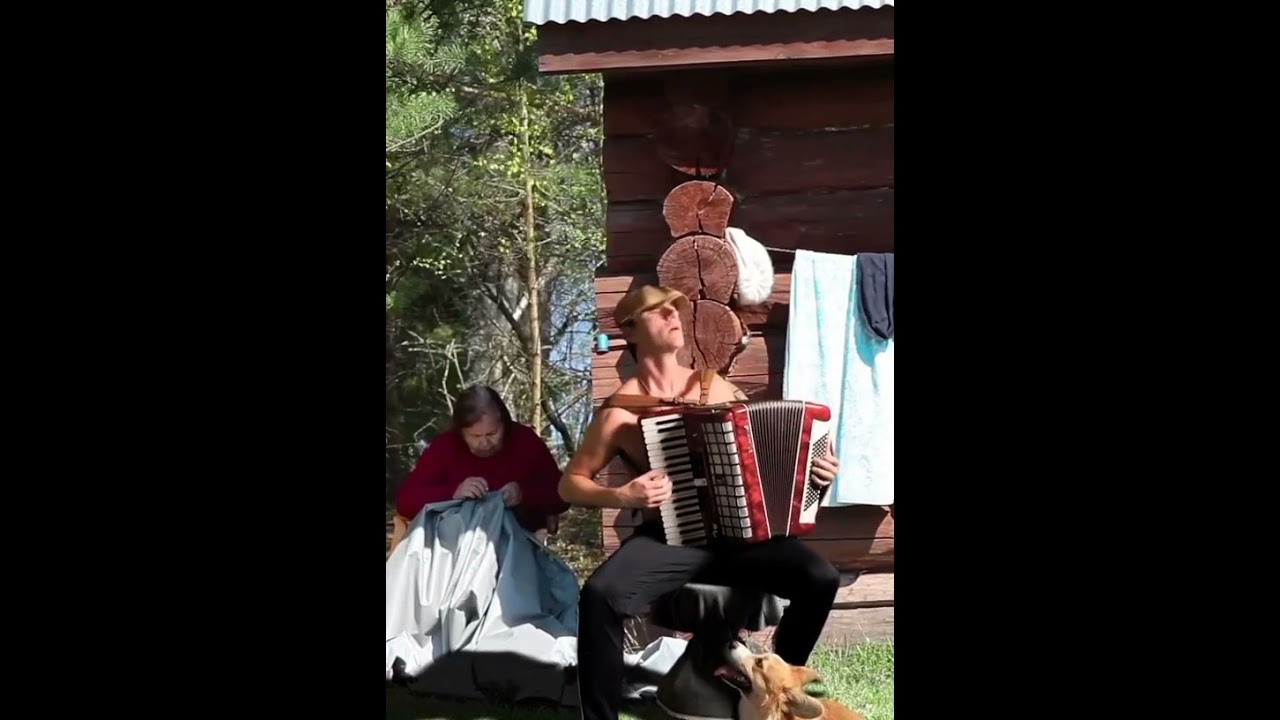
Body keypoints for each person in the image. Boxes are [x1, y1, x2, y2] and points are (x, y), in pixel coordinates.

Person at [559, 285, 843, 720]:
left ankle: (779, 689)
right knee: (600, 594)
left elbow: (768, 461)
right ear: (630, 330)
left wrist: (815, 474)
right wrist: (620, 494)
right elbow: (570, 484)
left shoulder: (715, 388)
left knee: (820, 578)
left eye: (676, 309)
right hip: (670, 538)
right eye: (659, 310)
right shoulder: (619, 412)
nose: (673, 315)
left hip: (739, 538)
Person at [396, 385, 569, 534]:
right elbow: (405, 501)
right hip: (455, 542)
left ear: (504, 424)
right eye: (475, 436)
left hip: (517, 541)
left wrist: (523, 494)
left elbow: (562, 495)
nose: (485, 443)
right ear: (461, 432)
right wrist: (453, 493)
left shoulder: (525, 441)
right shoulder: (445, 447)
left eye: (492, 434)